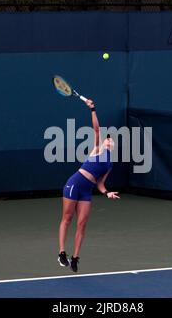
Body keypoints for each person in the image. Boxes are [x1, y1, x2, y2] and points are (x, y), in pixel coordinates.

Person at [58, 99, 120, 272]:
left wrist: (106, 193)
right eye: (107, 139)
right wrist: (93, 109)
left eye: (111, 140)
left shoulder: (109, 164)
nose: (108, 140)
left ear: (113, 146)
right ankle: (61, 252)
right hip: (74, 184)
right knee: (67, 218)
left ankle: (75, 258)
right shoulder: (97, 149)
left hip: (86, 191)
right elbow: (97, 129)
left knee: (82, 223)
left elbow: (100, 183)